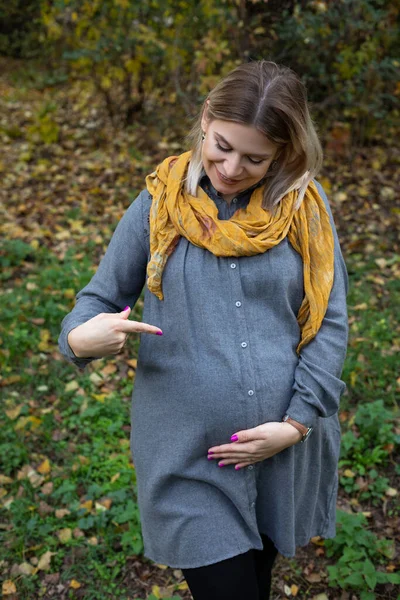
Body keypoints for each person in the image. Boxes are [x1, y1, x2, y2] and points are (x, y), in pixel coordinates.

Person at [58, 60, 349, 600]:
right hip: (188, 454)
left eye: (255, 157)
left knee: (256, 581)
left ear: (284, 153)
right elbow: (96, 300)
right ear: (205, 120)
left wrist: (299, 421)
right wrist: (81, 338)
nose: (232, 168)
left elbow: (329, 322)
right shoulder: (158, 204)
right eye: (221, 146)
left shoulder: (305, 208)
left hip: (282, 449)